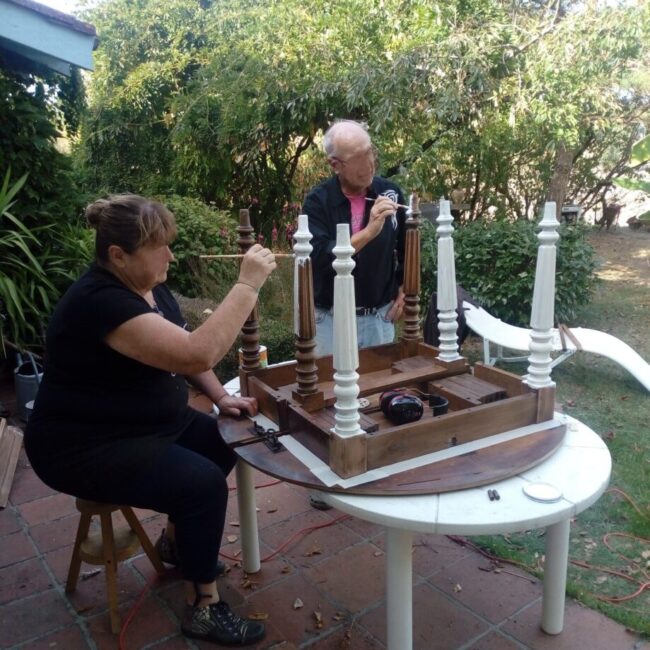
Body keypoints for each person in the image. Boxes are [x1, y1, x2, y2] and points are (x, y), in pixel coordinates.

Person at [24, 195, 275, 646]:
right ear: (118, 255)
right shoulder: (99, 301)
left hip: (144, 422)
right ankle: (205, 607)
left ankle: (178, 545)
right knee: (201, 484)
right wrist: (247, 285)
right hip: (83, 443)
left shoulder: (148, 285)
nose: (171, 255)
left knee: (222, 439)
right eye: (159, 247)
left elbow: (179, 347)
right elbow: (199, 350)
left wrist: (219, 396)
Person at [302, 119, 407, 508]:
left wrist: (407, 289)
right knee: (330, 402)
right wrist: (370, 227)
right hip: (331, 319)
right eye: (359, 157)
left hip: (380, 316)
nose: (370, 163)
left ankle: (373, 475)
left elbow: (408, 246)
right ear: (335, 165)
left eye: (372, 152)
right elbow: (322, 258)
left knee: (380, 395)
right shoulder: (318, 203)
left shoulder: (391, 192)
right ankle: (328, 485)